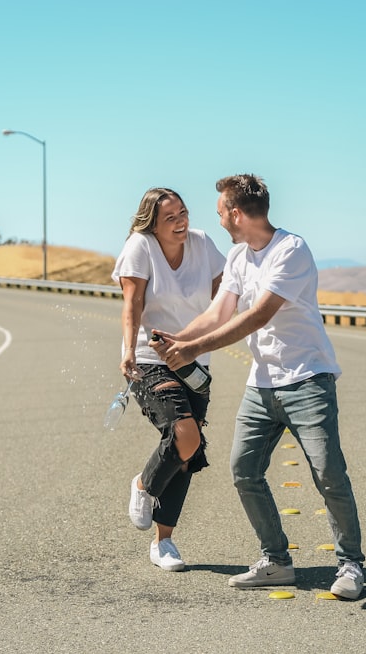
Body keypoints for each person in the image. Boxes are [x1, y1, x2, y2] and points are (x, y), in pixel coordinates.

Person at [149, 174, 365, 599]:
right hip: (262, 385)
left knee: (328, 473)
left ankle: (351, 565)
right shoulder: (237, 256)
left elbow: (256, 316)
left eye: (220, 212)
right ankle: (277, 561)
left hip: (308, 379)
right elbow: (218, 312)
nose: (217, 220)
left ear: (235, 213)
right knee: (244, 470)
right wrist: (180, 340)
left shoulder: (292, 250)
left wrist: (193, 349)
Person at [112, 187, 226, 572]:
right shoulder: (140, 246)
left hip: (194, 359)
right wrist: (128, 349)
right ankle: (144, 485)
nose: (181, 222)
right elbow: (133, 303)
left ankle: (164, 544)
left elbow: (227, 293)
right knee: (184, 434)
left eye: (183, 213)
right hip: (150, 358)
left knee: (185, 454)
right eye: (170, 218)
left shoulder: (202, 244)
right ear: (153, 224)